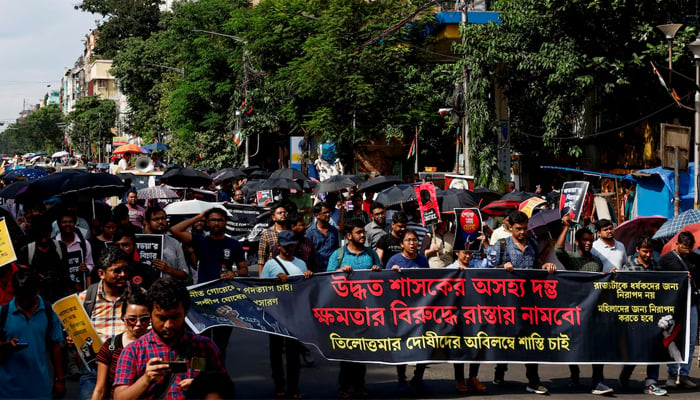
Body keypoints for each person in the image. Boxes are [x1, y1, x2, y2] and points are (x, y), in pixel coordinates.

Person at [113, 277, 227, 400]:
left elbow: (225, 389)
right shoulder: (133, 351)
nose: (168, 325)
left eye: (175, 317)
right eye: (162, 318)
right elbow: (119, 397)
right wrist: (145, 380)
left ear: (185, 312)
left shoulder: (205, 347)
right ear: (150, 314)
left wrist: (202, 387)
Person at [490, 211, 555, 395]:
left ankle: (533, 380)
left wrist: (544, 266)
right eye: (518, 229)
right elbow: (488, 268)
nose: (522, 232)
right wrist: (502, 267)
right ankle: (500, 371)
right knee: (507, 339)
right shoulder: (501, 245)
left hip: (530, 302)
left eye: (525, 228)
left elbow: (537, 263)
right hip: (507, 303)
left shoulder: (533, 243)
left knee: (531, 340)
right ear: (510, 227)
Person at [170, 207, 248, 354]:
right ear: (207, 222)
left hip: (225, 300)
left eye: (220, 220)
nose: (216, 223)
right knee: (201, 342)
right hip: (202, 299)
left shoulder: (234, 244)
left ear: (225, 223)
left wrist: (234, 273)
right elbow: (174, 230)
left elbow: (244, 270)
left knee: (220, 344)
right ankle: (200, 375)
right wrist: (199, 216)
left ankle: (219, 374)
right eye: (212, 220)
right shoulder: (200, 240)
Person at [554, 215, 613, 395]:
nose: (588, 243)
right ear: (578, 241)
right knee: (574, 343)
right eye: (585, 240)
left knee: (597, 345)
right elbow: (558, 250)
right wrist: (565, 227)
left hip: (593, 310)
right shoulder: (571, 258)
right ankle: (574, 373)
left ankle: (598, 380)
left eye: (590, 240)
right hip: (574, 309)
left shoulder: (596, 261)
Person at [77, 246, 145, 400]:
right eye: (117, 271)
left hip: (130, 369)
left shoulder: (139, 295)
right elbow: (77, 334)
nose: (123, 275)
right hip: (94, 370)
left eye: (126, 270)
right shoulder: (85, 299)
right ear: (101, 273)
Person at [326, 219, 381, 398]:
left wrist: (376, 270)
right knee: (346, 350)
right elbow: (327, 279)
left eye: (363, 232)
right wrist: (340, 272)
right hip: (345, 311)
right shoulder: (338, 255)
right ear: (349, 236)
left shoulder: (371, 254)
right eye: (359, 232)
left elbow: (382, 278)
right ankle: (344, 386)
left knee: (362, 350)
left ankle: (360, 385)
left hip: (366, 311)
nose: (363, 235)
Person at [261, 230, 314, 399]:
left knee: (293, 353)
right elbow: (261, 290)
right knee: (276, 351)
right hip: (275, 314)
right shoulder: (270, 265)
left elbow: (306, 289)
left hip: (294, 314)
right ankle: (279, 385)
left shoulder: (301, 264)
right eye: (285, 247)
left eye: (291, 246)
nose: (288, 249)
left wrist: (308, 277)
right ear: (278, 247)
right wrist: (275, 280)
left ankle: (293, 388)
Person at [0, 268, 66, 399]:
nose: (24, 302)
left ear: (37, 292)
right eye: (20, 297)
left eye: (27, 297)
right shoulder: (3, 313)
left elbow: (55, 347)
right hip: (7, 390)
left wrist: (60, 379)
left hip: (40, 388)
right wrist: (6, 346)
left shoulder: (48, 311)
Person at [617, 236, 668, 396]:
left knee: (654, 348)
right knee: (635, 350)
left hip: (653, 314)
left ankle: (651, 382)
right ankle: (626, 373)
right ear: (638, 250)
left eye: (651, 252)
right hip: (634, 315)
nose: (648, 255)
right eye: (645, 251)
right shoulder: (629, 267)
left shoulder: (656, 266)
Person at [657, 231, 699, 390]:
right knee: (673, 338)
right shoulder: (666, 260)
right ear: (677, 245)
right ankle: (672, 373)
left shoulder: (696, 259)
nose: (687, 251)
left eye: (690, 248)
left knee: (690, 339)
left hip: (693, 303)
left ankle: (685, 374)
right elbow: (658, 279)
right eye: (684, 247)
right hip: (673, 305)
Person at [91, 292, 150, 400]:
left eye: (144, 319)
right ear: (123, 318)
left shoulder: (157, 345)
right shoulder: (111, 346)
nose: (138, 324)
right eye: (132, 319)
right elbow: (100, 389)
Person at [447, 250, 488, 394]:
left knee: (477, 344)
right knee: (458, 347)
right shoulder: (450, 270)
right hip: (457, 315)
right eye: (465, 253)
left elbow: (492, 263)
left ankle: (473, 377)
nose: (468, 256)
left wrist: (485, 245)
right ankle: (460, 380)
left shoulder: (476, 266)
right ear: (457, 253)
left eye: (470, 253)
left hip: (475, 313)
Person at [17, 215, 71, 303]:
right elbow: (22, 278)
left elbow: (66, 271)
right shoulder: (26, 251)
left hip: (59, 295)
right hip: (37, 298)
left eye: (46, 236)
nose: (44, 240)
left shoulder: (60, 247)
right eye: (40, 237)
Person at [143, 207, 189, 281]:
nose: (160, 221)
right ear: (148, 223)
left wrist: (169, 269)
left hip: (170, 289)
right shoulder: (140, 244)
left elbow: (184, 274)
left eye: (163, 218)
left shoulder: (175, 243)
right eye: (156, 219)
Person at [56, 209, 95, 292]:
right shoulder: (54, 244)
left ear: (74, 223)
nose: (67, 224)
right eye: (64, 222)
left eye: (70, 222)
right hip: (60, 290)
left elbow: (90, 264)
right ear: (59, 225)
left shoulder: (84, 244)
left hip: (80, 289)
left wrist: (86, 268)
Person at [305, 202, 341, 270]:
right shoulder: (310, 232)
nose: (328, 214)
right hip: (317, 270)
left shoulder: (334, 231)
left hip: (332, 269)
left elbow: (337, 250)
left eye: (328, 212)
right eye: (325, 213)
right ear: (317, 215)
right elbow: (307, 253)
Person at [258, 203, 290, 271]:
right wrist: (261, 278)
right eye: (280, 213)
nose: (283, 214)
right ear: (273, 217)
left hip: (290, 270)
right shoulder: (267, 234)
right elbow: (261, 258)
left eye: (284, 212)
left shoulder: (291, 233)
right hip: (273, 271)